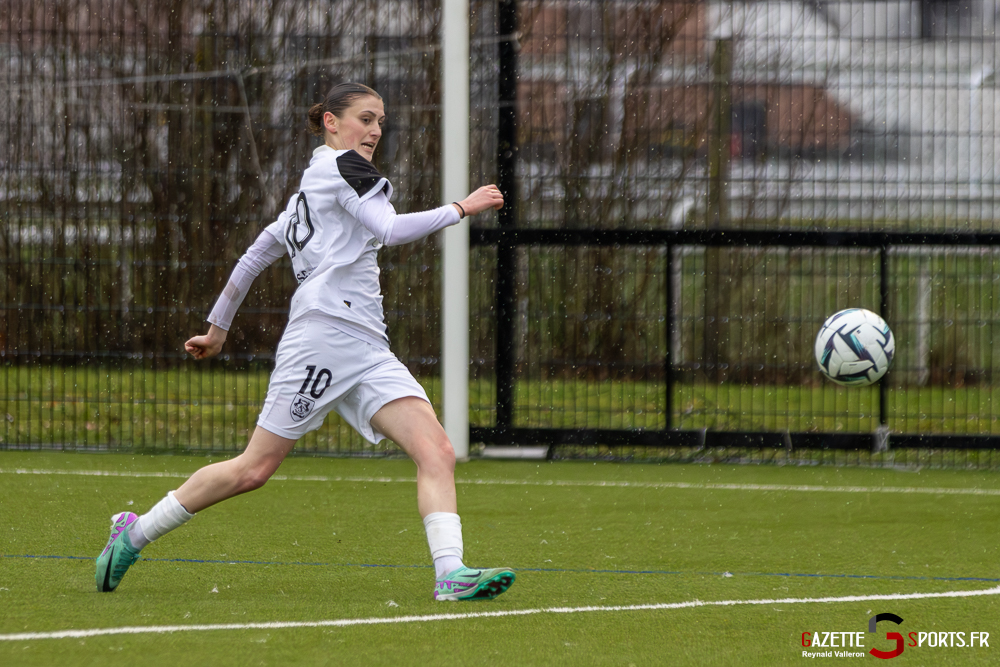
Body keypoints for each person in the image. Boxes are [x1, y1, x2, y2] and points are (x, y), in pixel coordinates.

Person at [95, 82, 514, 602]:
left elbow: (252, 258)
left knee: (437, 449)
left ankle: (450, 574)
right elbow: (390, 229)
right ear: (331, 123)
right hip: (322, 337)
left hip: (366, 345)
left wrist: (217, 330)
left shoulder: (306, 196)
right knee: (253, 470)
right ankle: (132, 533)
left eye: (380, 122)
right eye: (365, 118)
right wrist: (461, 207)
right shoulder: (343, 170)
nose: (376, 131)